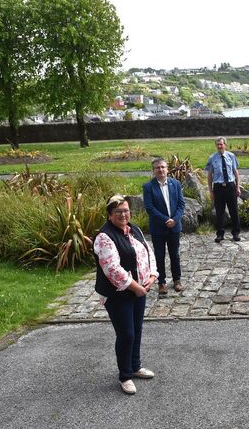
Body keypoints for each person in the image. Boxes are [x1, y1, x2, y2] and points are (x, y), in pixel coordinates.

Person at [93, 195, 158, 395]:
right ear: (110, 214)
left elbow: (148, 252)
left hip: (139, 289)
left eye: (126, 210)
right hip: (117, 294)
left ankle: (135, 366)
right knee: (126, 334)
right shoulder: (104, 237)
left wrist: (153, 275)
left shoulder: (134, 229)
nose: (123, 214)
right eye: (118, 211)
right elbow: (112, 269)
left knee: (136, 330)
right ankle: (125, 376)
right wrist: (136, 287)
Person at [143, 157, 185, 294]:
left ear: (167, 169)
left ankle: (177, 280)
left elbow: (181, 204)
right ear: (153, 171)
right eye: (157, 168)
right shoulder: (148, 187)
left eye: (163, 167)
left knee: (175, 254)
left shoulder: (176, 184)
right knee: (159, 255)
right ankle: (161, 282)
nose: (160, 170)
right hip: (158, 228)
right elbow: (149, 208)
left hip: (174, 227)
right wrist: (166, 220)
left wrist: (175, 219)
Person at [205, 137, 242, 242]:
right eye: (217, 144)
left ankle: (236, 233)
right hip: (218, 187)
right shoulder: (212, 158)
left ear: (225, 145)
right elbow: (210, 175)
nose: (219, 146)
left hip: (230, 186)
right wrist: (211, 191)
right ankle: (220, 234)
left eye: (221, 144)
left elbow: (235, 172)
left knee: (234, 210)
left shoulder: (231, 156)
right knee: (219, 211)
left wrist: (238, 186)